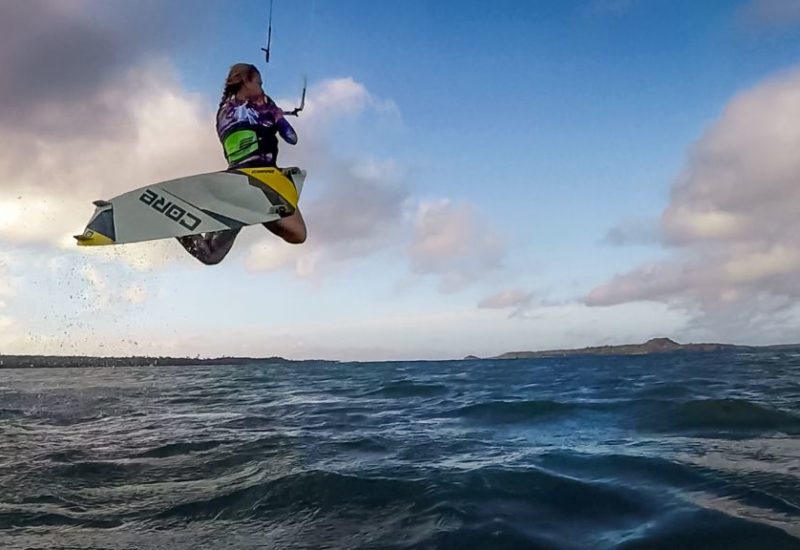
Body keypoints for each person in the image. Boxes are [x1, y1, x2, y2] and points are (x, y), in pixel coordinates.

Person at [178, 63, 306, 265]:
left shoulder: (222, 111)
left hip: (235, 183)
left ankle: (179, 227)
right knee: (299, 234)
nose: (262, 88)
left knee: (211, 255)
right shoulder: (263, 102)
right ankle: (261, 209)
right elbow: (291, 137)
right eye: (259, 83)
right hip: (263, 181)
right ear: (246, 81)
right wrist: (277, 114)